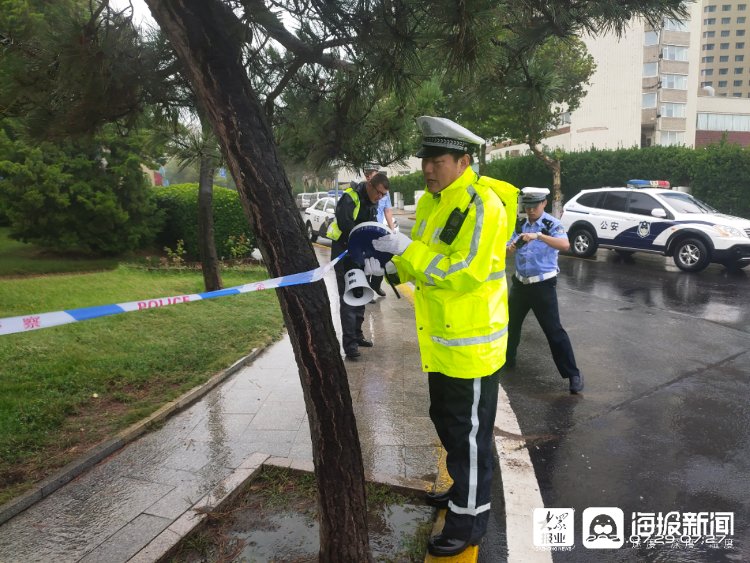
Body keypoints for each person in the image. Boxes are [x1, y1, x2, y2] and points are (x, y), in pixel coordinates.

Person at [368, 116, 518, 557]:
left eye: (438, 160)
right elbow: (425, 260)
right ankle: (460, 496)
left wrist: (405, 250)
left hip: (473, 344)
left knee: (470, 438)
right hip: (444, 340)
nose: (428, 169)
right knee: (448, 424)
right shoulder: (438, 201)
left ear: (463, 160)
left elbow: (464, 272)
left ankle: (468, 524)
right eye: (425, 160)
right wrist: (391, 266)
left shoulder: (481, 204)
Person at [505, 187, 584, 394]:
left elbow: (565, 245)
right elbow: (506, 249)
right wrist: (511, 248)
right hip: (520, 284)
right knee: (511, 325)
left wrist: (538, 236)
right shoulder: (520, 224)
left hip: (542, 286)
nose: (530, 210)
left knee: (554, 331)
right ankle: (508, 360)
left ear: (544, 204)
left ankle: (573, 374)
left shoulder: (551, 224)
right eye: (527, 206)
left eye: (534, 205)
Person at [327, 172, 390, 361]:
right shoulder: (350, 196)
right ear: (370, 184)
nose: (379, 198)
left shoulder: (374, 202)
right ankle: (350, 345)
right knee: (348, 297)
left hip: (360, 254)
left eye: (382, 195)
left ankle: (358, 335)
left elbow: (371, 225)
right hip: (344, 252)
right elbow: (347, 225)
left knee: (361, 294)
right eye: (378, 193)